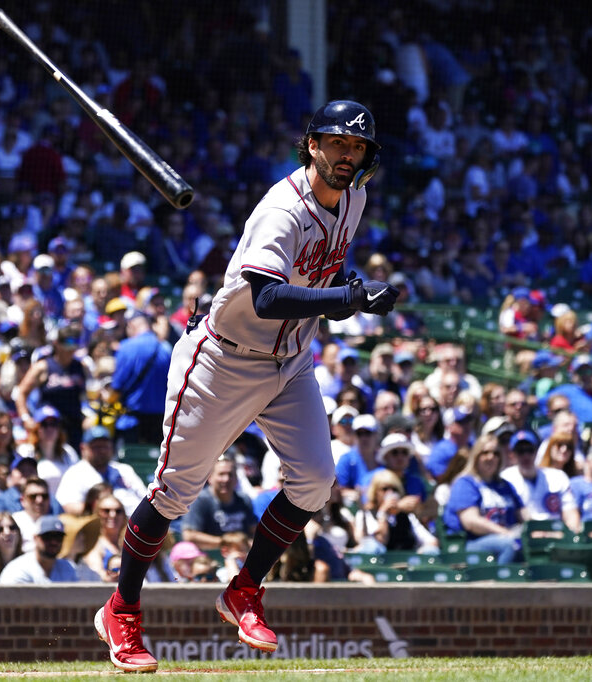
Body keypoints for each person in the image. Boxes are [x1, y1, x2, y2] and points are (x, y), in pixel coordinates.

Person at [95, 100, 397, 672]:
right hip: (224, 363)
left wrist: (348, 293)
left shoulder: (354, 197)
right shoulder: (282, 208)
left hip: (290, 360)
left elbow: (321, 277)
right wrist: (346, 299)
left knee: (314, 482)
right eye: (336, 143)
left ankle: (244, 590)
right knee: (175, 493)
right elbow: (265, 297)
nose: (346, 155)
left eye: (356, 147)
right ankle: (121, 608)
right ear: (311, 144)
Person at [442, 435, 526, 564]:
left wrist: (539, 531)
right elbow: (471, 522)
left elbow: (524, 515)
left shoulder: (505, 485)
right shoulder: (465, 483)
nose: (491, 457)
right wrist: (505, 533)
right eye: (485, 453)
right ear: (476, 457)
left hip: (506, 537)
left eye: (496, 453)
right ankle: (500, 581)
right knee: (510, 545)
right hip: (470, 542)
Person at [105, 311, 172, 444]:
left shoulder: (126, 347)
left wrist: (106, 398)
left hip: (133, 423)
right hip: (160, 424)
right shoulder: (166, 348)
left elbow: (117, 387)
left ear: (131, 325)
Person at [501, 430, 582, 533]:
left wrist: (573, 535)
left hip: (556, 532)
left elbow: (570, 513)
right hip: (524, 534)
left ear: (536, 452)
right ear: (512, 454)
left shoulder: (557, 476)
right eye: (521, 451)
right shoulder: (506, 478)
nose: (526, 456)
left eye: (530, 450)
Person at [56, 425, 147, 516]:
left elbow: (145, 497)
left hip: (137, 523)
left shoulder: (124, 470)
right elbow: (66, 505)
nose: (102, 451)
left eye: (105, 446)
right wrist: (101, 510)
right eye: (96, 447)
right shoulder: (75, 473)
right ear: (83, 448)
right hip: (104, 524)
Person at [182, 454, 258, 550]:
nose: (226, 479)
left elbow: (253, 530)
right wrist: (226, 542)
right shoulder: (200, 500)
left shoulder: (243, 499)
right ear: (210, 478)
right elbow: (189, 536)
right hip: (211, 558)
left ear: (236, 478)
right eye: (221, 474)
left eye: (230, 474)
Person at [0, 515, 80, 584]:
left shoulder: (69, 567)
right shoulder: (18, 569)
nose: (54, 542)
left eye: (58, 537)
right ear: (35, 538)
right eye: (48, 537)